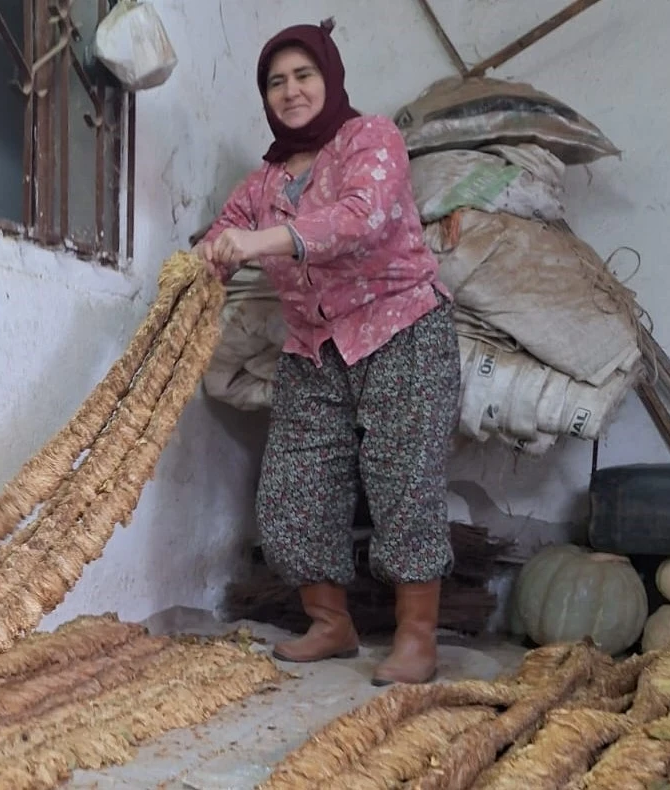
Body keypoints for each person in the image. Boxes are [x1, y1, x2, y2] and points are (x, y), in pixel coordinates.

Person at [194, 20, 460, 686]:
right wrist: (200, 267)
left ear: (330, 77)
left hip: (401, 330)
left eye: (303, 75)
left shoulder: (370, 139)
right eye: (276, 82)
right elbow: (221, 238)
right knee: (293, 487)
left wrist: (262, 244)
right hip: (314, 350)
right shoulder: (261, 184)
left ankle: (416, 638)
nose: (291, 91)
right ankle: (330, 624)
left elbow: (359, 217)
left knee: (405, 481)